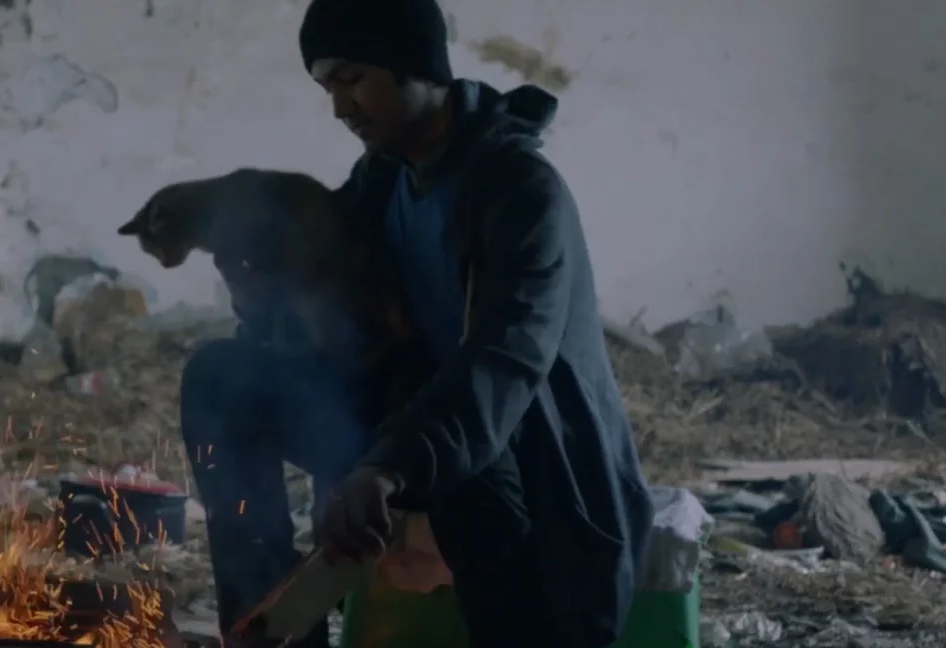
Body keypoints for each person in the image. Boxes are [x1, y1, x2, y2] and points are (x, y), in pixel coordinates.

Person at [177, 0, 656, 645]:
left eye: (352, 79)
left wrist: (388, 466)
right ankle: (269, 627)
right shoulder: (383, 179)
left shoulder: (520, 192)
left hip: (523, 460)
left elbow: (500, 371)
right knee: (219, 378)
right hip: (412, 425)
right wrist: (256, 282)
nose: (340, 108)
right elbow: (331, 313)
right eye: (327, 88)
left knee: (468, 472)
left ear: (415, 66)